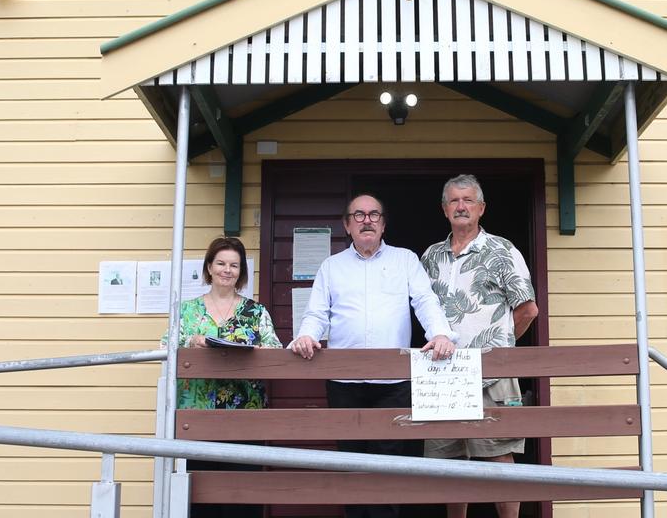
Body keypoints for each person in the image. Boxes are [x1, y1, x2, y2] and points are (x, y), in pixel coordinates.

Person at [290, 193, 456, 518]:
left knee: (388, 461)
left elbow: (424, 300)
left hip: (392, 382)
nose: (367, 220)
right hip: (343, 383)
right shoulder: (331, 266)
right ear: (347, 225)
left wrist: (440, 333)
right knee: (350, 461)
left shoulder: (405, 260)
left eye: (374, 215)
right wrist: (306, 335)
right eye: (359, 215)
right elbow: (316, 312)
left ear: (383, 224)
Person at [421, 174, 539, 518]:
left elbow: (527, 309)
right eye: (454, 201)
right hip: (442, 372)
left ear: (481, 208)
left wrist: (498, 348)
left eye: (468, 200)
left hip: (493, 373)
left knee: (498, 456)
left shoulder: (502, 250)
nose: (461, 207)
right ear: (444, 210)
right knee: (449, 461)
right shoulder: (431, 256)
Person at [170, 236, 281, 518]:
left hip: (244, 415)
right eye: (220, 263)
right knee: (200, 498)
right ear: (209, 267)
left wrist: (256, 350)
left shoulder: (256, 312)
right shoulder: (187, 310)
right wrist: (190, 341)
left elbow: (277, 351)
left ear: (241, 271)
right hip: (196, 415)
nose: (226, 270)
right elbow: (165, 348)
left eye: (234, 265)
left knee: (241, 497)